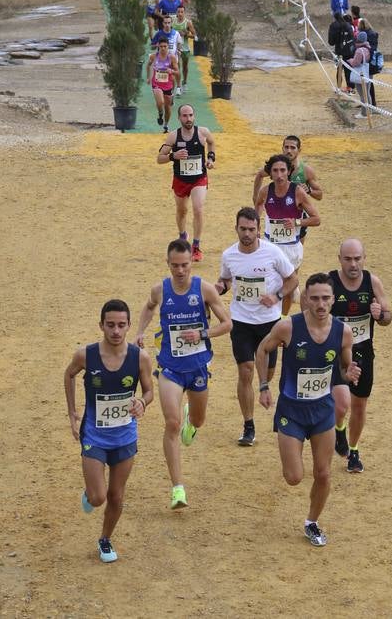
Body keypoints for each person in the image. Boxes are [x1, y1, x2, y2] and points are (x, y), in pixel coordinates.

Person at [256, 273, 361, 546]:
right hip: (291, 411)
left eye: (326, 298)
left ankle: (312, 522)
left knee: (323, 473)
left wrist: (349, 373)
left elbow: (343, 369)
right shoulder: (288, 327)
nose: (321, 304)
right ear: (305, 299)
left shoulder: (343, 332)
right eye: (314, 298)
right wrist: (264, 385)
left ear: (333, 299)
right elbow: (262, 349)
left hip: (322, 411)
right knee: (294, 477)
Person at [136, 240, 231, 509]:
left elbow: (227, 324)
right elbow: (148, 306)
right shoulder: (160, 290)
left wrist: (202, 333)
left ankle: (193, 419)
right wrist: (140, 331)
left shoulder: (204, 289)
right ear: (168, 264)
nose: (180, 270)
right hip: (171, 367)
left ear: (192, 263)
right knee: (172, 424)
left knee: (197, 420)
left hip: (199, 366)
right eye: (175, 265)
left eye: (185, 265)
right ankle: (177, 488)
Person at [64, 299, 153, 563]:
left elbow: (149, 392)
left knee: (116, 495)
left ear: (128, 327)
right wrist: (72, 413)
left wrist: (141, 402)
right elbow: (68, 375)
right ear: (101, 325)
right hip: (94, 435)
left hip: (125, 437)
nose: (116, 331)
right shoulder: (86, 355)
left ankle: (105, 539)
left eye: (121, 325)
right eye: (111, 325)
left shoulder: (140, 358)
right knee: (98, 497)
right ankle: (91, 491)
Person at [216, 207, 299, 447]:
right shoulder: (229, 255)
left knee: (269, 373)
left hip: (269, 323)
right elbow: (226, 280)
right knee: (246, 370)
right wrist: (217, 288)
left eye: (252, 229)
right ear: (236, 229)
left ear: (258, 230)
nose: (247, 234)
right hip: (241, 321)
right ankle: (248, 425)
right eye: (243, 229)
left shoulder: (272, 253)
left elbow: (293, 278)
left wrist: (277, 295)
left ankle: (264, 387)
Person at [324, 240, 391, 471]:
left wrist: (380, 314)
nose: (353, 264)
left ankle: (354, 451)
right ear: (339, 258)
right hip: (335, 354)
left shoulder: (372, 282)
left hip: (363, 352)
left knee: (359, 405)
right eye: (348, 259)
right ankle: (339, 427)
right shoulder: (329, 282)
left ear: (364, 258)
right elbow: (312, 313)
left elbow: (387, 317)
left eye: (357, 258)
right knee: (340, 404)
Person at [157, 104, 215, 262]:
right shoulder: (173, 136)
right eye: (184, 116)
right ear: (179, 118)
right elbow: (159, 159)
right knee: (182, 211)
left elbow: (211, 142)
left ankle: (196, 246)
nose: (188, 119)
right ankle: (183, 235)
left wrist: (210, 158)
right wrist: (173, 156)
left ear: (194, 116)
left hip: (199, 178)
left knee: (198, 209)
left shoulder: (203, 132)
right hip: (180, 180)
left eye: (190, 115)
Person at [255, 153, 320, 277]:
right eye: (275, 170)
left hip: (291, 247)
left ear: (289, 171)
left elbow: (316, 219)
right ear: (270, 173)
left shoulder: (298, 192)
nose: (279, 175)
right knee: (270, 285)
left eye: (282, 170)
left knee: (290, 290)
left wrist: (296, 222)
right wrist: (257, 225)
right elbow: (258, 205)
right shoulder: (265, 191)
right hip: (270, 246)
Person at [253, 135, 323, 206]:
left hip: (299, 213)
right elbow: (260, 175)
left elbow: (319, 195)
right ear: (282, 148)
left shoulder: (306, 171)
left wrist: (309, 191)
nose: (289, 151)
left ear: (299, 150)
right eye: (286, 147)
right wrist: (255, 198)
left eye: (293, 148)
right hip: (278, 210)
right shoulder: (276, 166)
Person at [147, 39, 180, 132]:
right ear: (158, 46)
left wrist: (171, 71)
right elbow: (148, 65)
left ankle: (166, 125)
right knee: (160, 102)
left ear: (168, 46)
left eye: (165, 46)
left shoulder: (172, 58)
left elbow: (178, 72)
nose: (163, 48)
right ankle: (160, 113)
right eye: (161, 46)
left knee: (167, 107)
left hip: (168, 85)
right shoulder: (153, 56)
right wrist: (148, 77)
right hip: (156, 84)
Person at [347, 30, 372, 119]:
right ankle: (369, 111)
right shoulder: (368, 47)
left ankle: (364, 113)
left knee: (362, 94)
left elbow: (355, 63)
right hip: (367, 72)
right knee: (367, 93)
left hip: (360, 74)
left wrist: (349, 60)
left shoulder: (359, 51)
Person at [328, 11, 355, 89]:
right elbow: (352, 38)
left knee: (339, 70)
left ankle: (339, 87)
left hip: (339, 51)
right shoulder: (348, 25)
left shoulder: (333, 25)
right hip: (350, 51)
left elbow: (331, 42)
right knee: (349, 70)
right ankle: (350, 88)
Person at [172, 5, 195, 92]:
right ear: (176, 12)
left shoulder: (188, 23)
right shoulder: (173, 22)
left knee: (185, 67)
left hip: (185, 48)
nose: (180, 14)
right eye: (179, 12)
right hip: (175, 48)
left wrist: (186, 34)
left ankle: (184, 82)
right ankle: (178, 86)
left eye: (182, 12)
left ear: (184, 13)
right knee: (177, 67)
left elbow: (194, 36)